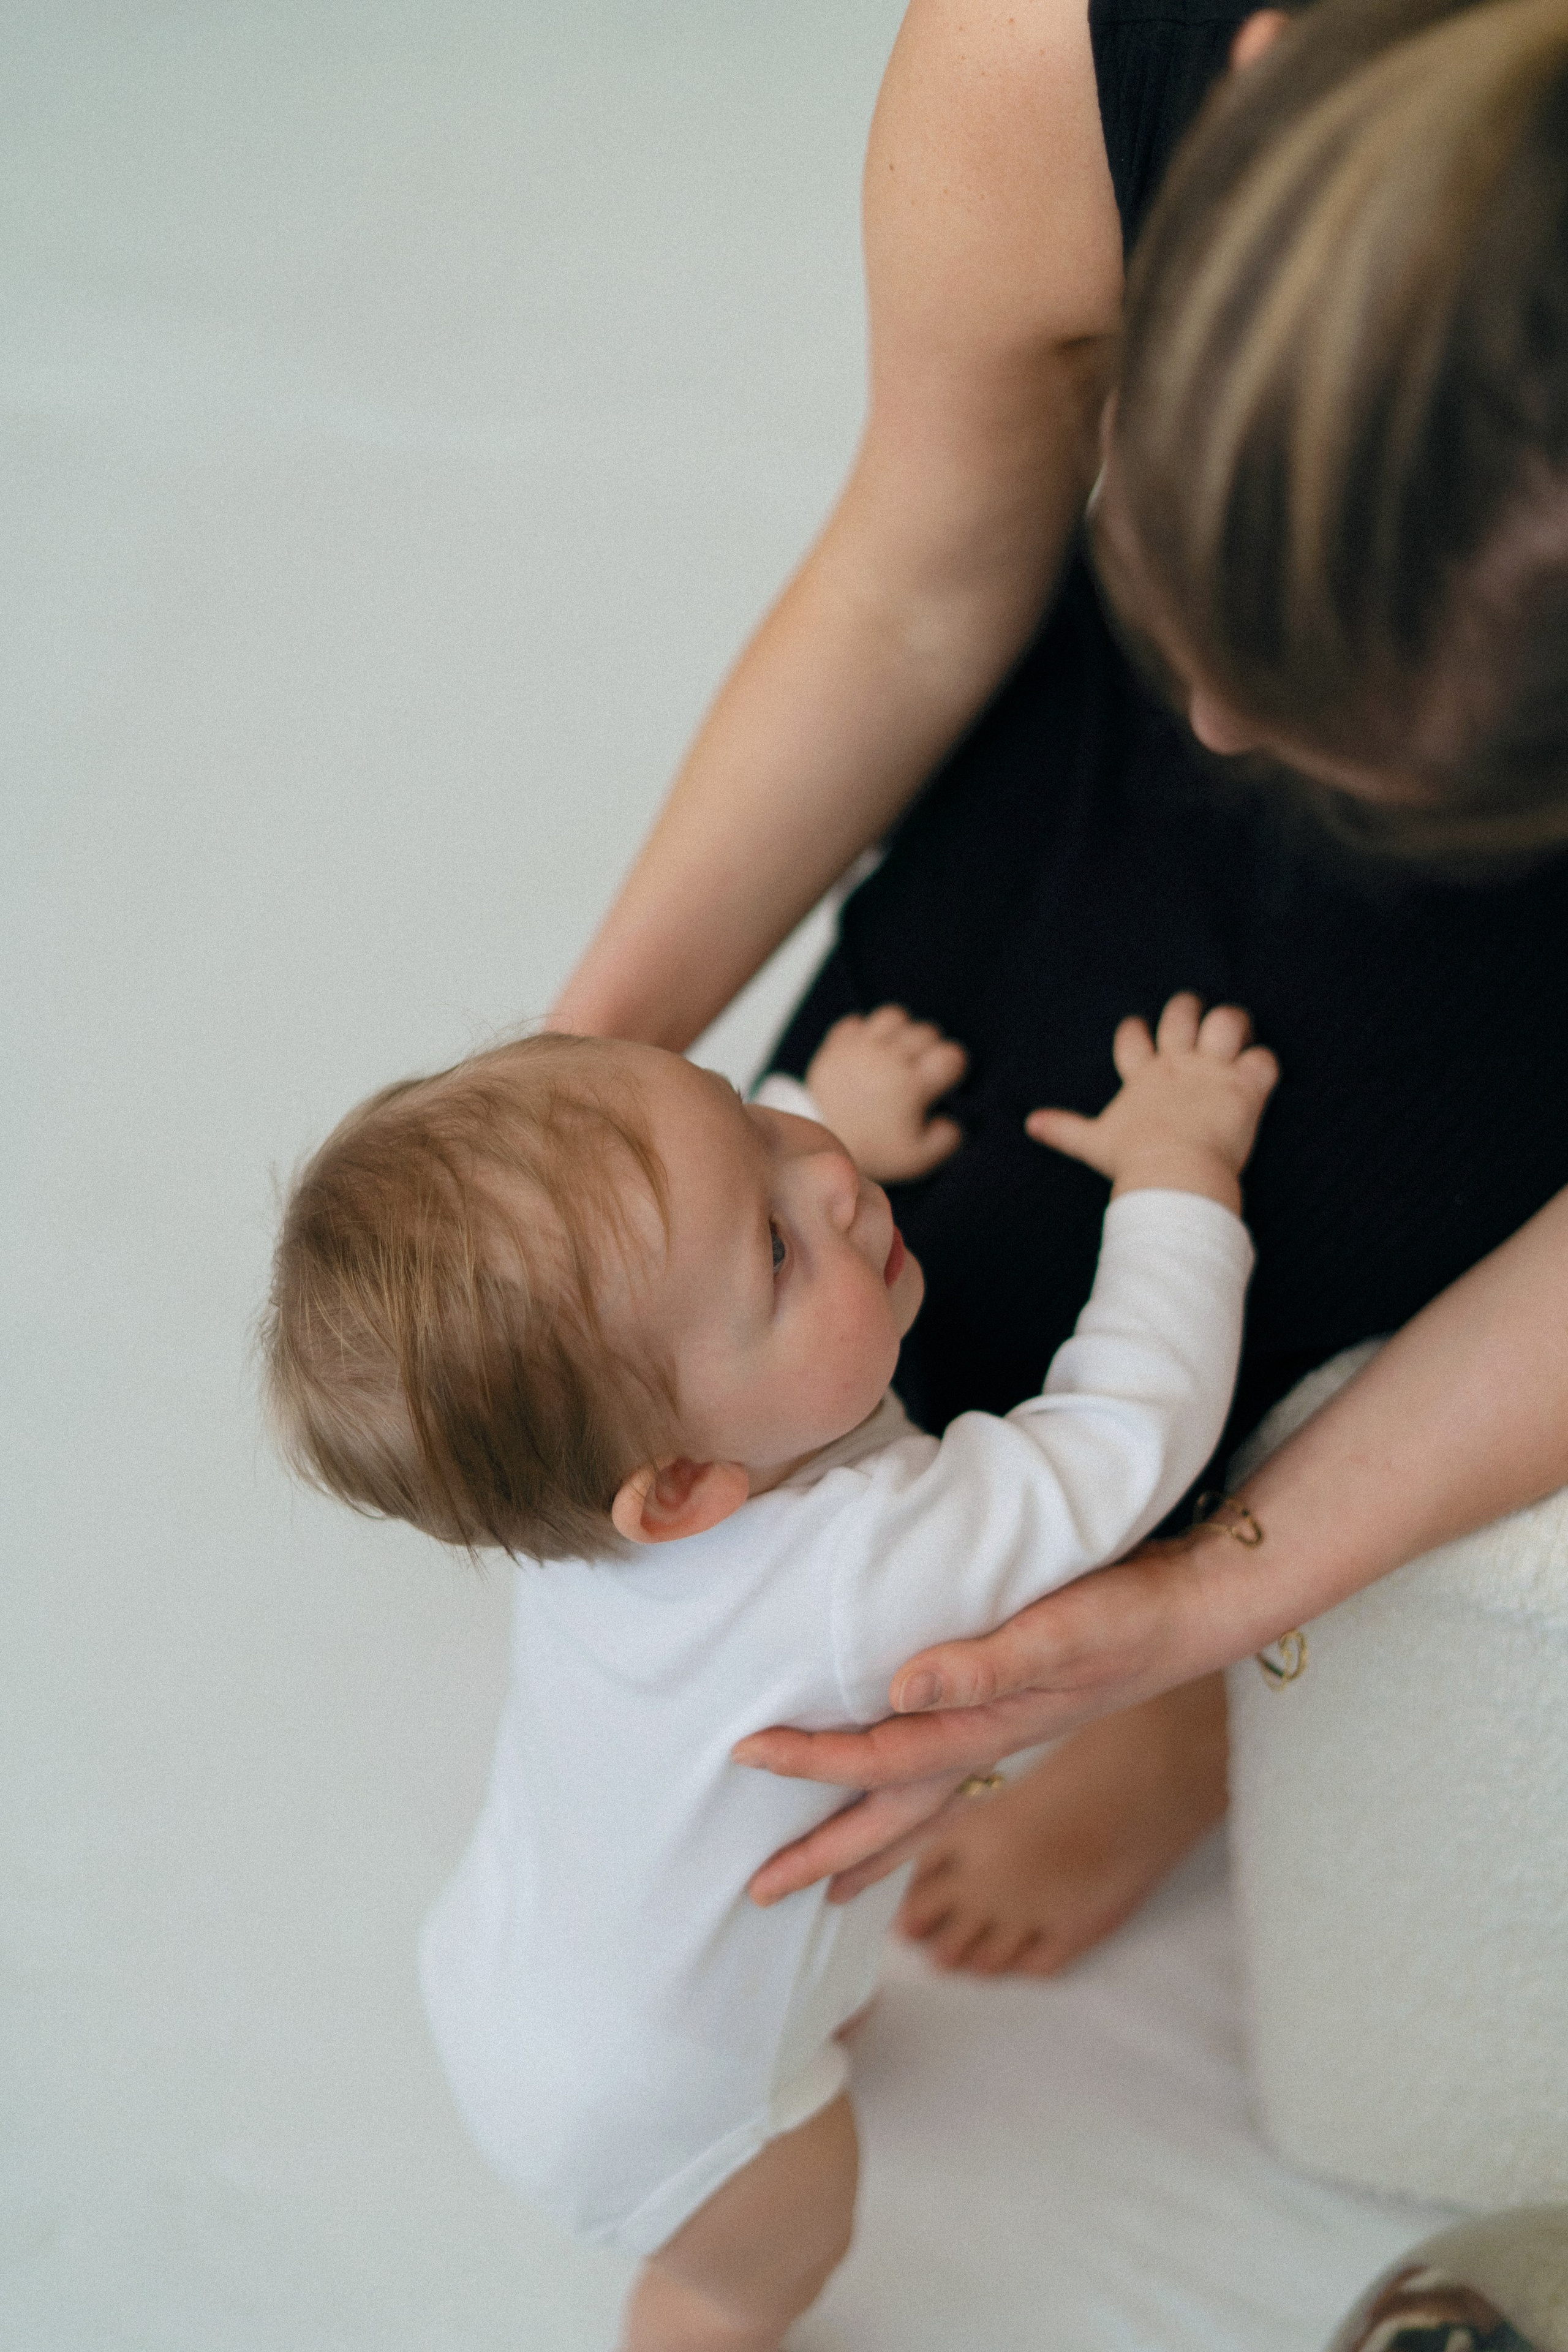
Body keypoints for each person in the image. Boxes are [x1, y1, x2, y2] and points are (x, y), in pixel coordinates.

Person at [549, 0, 1568, 1976]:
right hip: (1130, 786)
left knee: (1263, 1312)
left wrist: (1210, 1596)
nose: (1215, 712)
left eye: (1325, 713)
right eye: (1193, 586)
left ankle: (1199, 1680)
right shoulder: (1053, 59)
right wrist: (586, 1074)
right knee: (879, 1250)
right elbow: (922, 573)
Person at [263, 997, 1273, 2351]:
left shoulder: (571, 1493)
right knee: (759, 2269)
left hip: (508, 1965)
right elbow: (1126, 1431)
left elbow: (675, 1257)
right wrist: (1176, 1177)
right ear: (680, 1485)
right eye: (781, 1247)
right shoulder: (866, 1566)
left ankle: (802, 2031)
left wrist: (818, 1117)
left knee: (760, 1958)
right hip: (675, 2116)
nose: (832, 1176)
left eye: (752, 1120)